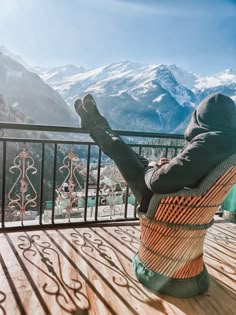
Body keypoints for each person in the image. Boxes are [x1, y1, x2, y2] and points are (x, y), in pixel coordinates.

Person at [74, 93, 236, 214]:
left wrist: (153, 167)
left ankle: (93, 124)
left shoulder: (207, 143)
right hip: (187, 200)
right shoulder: (226, 142)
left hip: (165, 202)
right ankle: (95, 123)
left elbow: (159, 182)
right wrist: (166, 166)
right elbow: (193, 166)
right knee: (132, 155)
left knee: (119, 150)